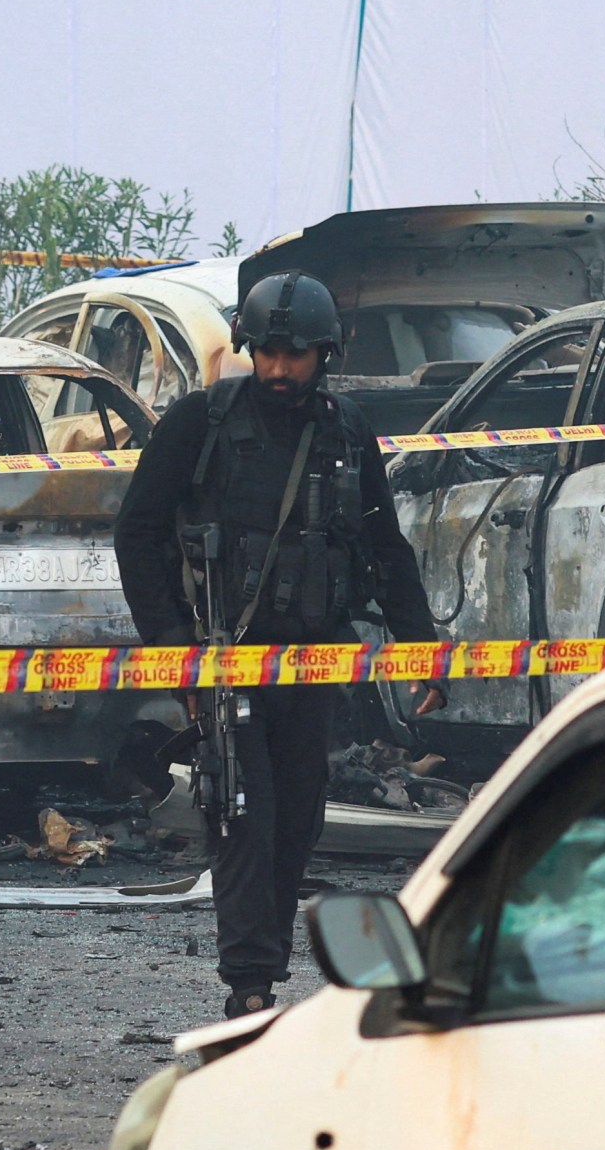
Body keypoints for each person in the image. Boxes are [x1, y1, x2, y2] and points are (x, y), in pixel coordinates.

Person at [114, 270, 446, 1019]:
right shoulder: (200, 423)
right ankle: (251, 985)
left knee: (297, 820)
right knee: (242, 815)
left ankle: (266, 969)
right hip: (224, 658)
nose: (278, 369)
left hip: (313, 661)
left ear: (323, 355)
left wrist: (420, 647)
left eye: (294, 356)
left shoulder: (346, 430)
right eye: (266, 352)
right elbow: (138, 534)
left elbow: (385, 546)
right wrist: (174, 647)